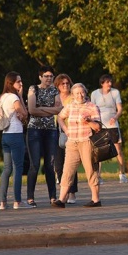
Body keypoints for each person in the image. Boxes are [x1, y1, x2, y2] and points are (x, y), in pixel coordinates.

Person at [52, 83, 103, 208]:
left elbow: (98, 127)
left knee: (90, 169)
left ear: (85, 92)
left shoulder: (92, 107)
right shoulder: (70, 106)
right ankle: (61, 199)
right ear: (73, 95)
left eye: (82, 92)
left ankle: (95, 200)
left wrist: (89, 121)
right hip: (72, 142)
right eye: (76, 93)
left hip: (87, 141)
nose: (80, 95)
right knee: (67, 170)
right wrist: (65, 129)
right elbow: (60, 117)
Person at [26, 65, 61, 207]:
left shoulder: (55, 90)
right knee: (34, 164)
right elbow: (32, 110)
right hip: (34, 129)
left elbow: (59, 108)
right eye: (46, 76)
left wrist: (42, 109)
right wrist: (50, 110)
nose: (49, 78)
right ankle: (30, 197)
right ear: (40, 77)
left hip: (50, 130)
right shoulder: (33, 88)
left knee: (50, 164)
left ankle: (52, 196)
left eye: (51, 76)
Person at [0, 72, 31, 210]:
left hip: (5, 135)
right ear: (11, 84)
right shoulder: (13, 97)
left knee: (7, 169)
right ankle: (18, 201)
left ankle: (2, 202)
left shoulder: (2, 97)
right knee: (18, 168)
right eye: (18, 81)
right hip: (16, 135)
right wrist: (21, 97)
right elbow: (24, 113)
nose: (21, 84)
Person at [91, 74, 127, 183]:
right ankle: (98, 175)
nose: (109, 84)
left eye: (110, 82)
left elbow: (119, 108)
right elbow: (92, 108)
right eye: (107, 82)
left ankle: (122, 174)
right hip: (100, 125)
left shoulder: (115, 92)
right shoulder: (94, 94)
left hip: (112, 124)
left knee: (118, 150)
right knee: (99, 150)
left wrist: (115, 117)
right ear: (102, 83)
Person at [53, 74, 78, 204]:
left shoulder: (73, 98)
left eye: (67, 83)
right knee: (58, 164)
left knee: (72, 162)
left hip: (71, 130)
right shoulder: (55, 98)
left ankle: (72, 192)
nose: (66, 85)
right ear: (58, 85)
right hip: (56, 131)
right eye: (63, 83)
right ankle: (63, 191)